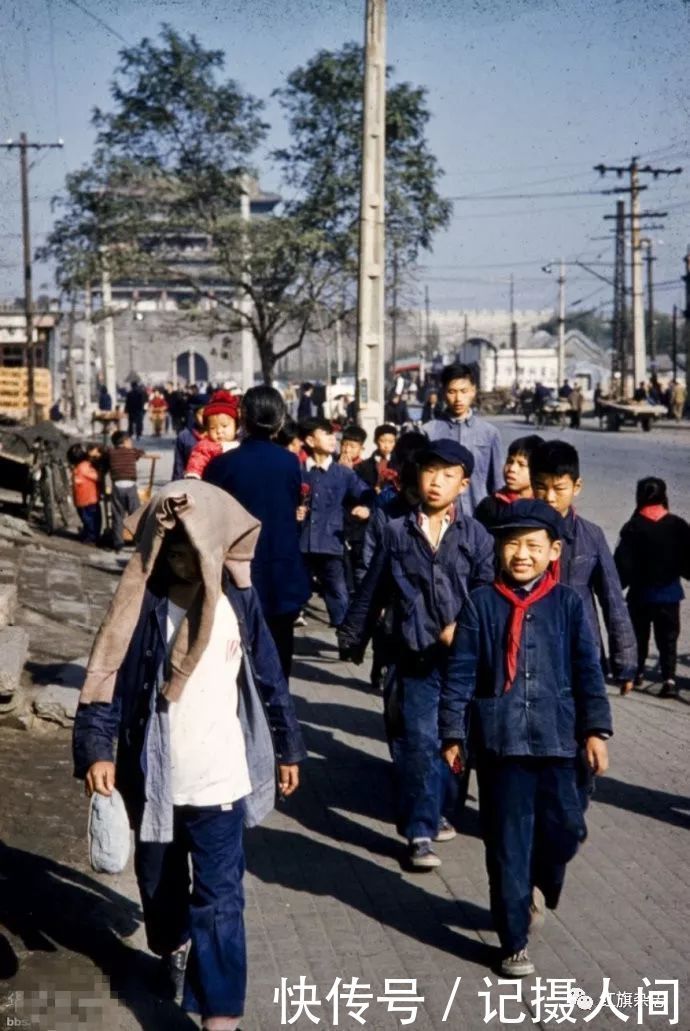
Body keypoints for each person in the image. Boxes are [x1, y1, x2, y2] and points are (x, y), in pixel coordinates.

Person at [72, 480, 306, 1030]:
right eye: (170, 548)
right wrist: (97, 750)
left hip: (219, 779)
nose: (182, 559)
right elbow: (107, 683)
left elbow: (269, 677)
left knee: (222, 898)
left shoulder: (237, 604)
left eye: (192, 549)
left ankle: (219, 1013)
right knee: (159, 885)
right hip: (151, 779)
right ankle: (173, 948)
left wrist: (288, 745)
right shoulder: (140, 608)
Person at [440, 499, 612, 978]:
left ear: (554, 551)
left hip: (559, 739)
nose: (521, 554)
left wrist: (596, 731)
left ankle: (539, 883)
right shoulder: (481, 603)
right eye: (511, 544)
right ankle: (513, 940)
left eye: (533, 546)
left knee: (567, 830)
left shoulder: (569, 604)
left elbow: (588, 672)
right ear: (497, 549)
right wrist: (453, 732)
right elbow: (460, 674)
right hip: (501, 743)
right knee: (507, 846)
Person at [339, 440, 495, 870]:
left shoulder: (477, 536)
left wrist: (463, 629)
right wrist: (353, 636)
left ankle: (443, 809)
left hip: (462, 662)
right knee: (419, 742)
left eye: (448, 475)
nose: (436, 482)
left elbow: (486, 592)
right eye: (430, 472)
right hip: (414, 656)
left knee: (454, 742)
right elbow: (373, 589)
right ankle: (419, 832)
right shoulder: (395, 531)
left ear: (463, 485)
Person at [205, 388, 311, 680]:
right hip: (281, 569)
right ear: (278, 421)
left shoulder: (221, 465)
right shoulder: (290, 463)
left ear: (243, 418)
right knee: (278, 658)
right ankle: (277, 719)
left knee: (237, 656)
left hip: (236, 572)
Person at [530, 440, 637, 693]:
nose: (550, 497)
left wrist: (626, 663)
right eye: (541, 487)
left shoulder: (592, 536)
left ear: (576, 486)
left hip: (581, 651)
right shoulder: (516, 536)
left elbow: (613, 602)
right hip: (531, 651)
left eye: (559, 488)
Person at [614, 477, 690, 698]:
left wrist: (615, 587)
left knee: (639, 635)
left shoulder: (632, 527)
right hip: (669, 595)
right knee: (668, 639)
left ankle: (637, 673)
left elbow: (622, 564)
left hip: (641, 596)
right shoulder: (678, 525)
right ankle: (669, 678)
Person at [298, 418, 373, 629]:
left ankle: (345, 636)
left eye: (334, 435)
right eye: (327, 434)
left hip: (331, 541)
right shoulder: (299, 470)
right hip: (301, 540)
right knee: (297, 587)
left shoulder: (344, 474)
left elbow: (367, 496)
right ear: (310, 440)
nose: (334, 439)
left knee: (337, 590)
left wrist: (366, 509)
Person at [422, 363, 502, 516]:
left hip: (479, 517)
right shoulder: (429, 432)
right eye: (452, 392)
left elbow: (497, 484)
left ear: (473, 391)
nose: (458, 398)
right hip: (440, 517)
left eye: (464, 391)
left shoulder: (489, 433)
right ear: (443, 393)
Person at [473, 434, 544, 529]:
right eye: (510, 461)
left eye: (521, 464)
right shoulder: (489, 506)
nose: (512, 469)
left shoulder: (544, 506)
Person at [106, 430, 147, 551]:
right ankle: (138, 540)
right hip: (130, 486)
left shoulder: (111, 453)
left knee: (118, 515)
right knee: (135, 514)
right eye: (130, 441)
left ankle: (118, 543)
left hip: (117, 486)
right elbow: (141, 452)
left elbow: (105, 456)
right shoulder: (132, 452)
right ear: (125, 442)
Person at [185, 392, 240, 480]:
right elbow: (197, 459)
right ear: (207, 429)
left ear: (236, 426)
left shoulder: (241, 443)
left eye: (224, 426)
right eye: (213, 428)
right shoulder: (206, 446)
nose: (219, 431)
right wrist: (194, 474)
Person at [66, 443, 102, 544]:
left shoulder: (76, 468)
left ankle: (87, 534)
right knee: (93, 520)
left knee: (86, 519)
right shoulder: (85, 466)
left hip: (80, 499)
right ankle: (92, 538)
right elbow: (97, 477)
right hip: (90, 499)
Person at [356, 424, 398, 491]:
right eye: (383, 441)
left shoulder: (399, 464)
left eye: (391, 442)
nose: (386, 446)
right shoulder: (364, 466)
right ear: (375, 441)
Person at [172, 404, 205, 481]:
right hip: (190, 481)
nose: (204, 417)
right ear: (194, 415)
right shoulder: (184, 436)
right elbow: (178, 466)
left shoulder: (217, 435)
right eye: (201, 414)